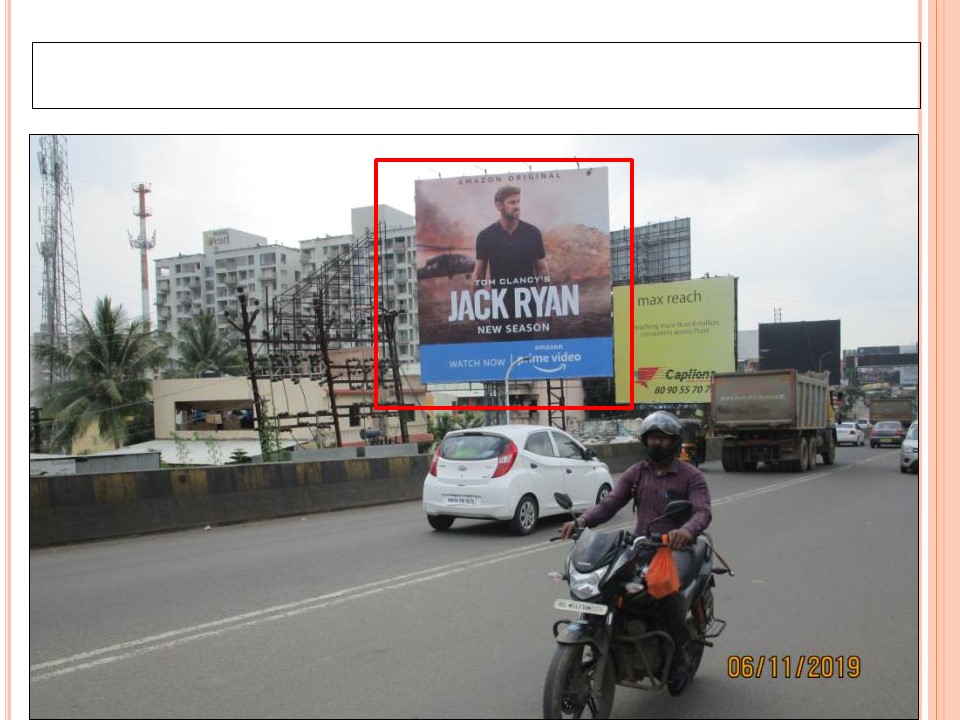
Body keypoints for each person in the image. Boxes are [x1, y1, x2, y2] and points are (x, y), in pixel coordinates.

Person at [561, 410, 713, 696]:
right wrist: (581, 521)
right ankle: (606, 633)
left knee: (664, 589)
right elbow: (610, 504)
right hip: (641, 545)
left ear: (674, 442)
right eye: (652, 438)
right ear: (645, 440)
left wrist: (686, 531)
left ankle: (679, 655)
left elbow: (702, 511)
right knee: (607, 582)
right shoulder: (636, 473)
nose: (657, 443)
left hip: (675, 548)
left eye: (663, 439)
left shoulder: (690, 476)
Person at [473, 185, 549, 289]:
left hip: (529, 298)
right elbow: (478, 275)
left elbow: (542, 272)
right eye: (512, 202)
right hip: (500, 298)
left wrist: (546, 297)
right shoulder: (485, 236)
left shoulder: (533, 233)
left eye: (518, 201)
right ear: (499, 206)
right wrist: (474, 299)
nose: (517, 206)